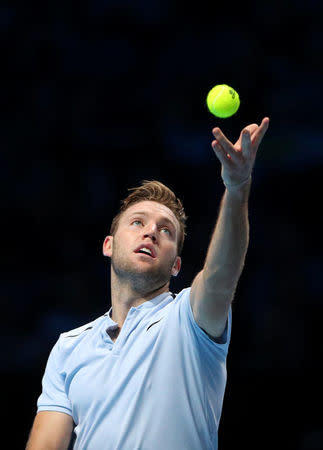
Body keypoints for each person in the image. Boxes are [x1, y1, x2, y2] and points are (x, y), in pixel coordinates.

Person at [26, 117, 270, 450]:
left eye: (166, 230)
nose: (151, 231)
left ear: (176, 265)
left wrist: (237, 188)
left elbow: (219, 276)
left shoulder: (189, 320)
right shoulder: (68, 347)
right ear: (108, 245)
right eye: (138, 222)